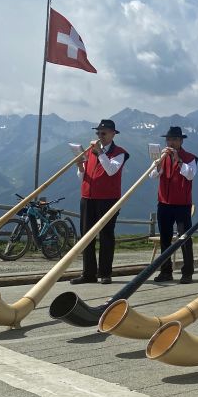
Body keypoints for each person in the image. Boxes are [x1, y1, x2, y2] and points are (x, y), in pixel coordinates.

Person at [71, 119, 129, 285]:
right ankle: (88, 273)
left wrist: (100, 153)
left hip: (108, 200)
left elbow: (111, 171)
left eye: (103, 133)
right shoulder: (90, 152)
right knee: (86, 236)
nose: (99, 136)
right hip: (88, 198)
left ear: (112, 134)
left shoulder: (119, 152)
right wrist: (80, 167)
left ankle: (105, 273)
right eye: (98, 133)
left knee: (106, 236)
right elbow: (82, 177)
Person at [150, 126, 198, 284]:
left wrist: (179, 160)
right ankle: (166, 271)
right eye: (169, 139)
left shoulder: (190, 157)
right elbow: (153, 176)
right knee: (165, 238)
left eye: (174, 140)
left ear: (181, 141)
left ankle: (187, 272)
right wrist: (158, 163)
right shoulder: (162, 157)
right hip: (164, 203)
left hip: (182, 205)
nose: (171, 142)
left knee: (184, 238)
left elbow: (190, 175)